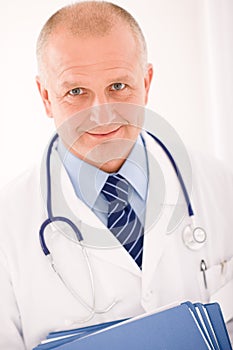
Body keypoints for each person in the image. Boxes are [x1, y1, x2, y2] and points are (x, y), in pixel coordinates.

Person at [0, 1, 233, 349]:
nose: (102, 114)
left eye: (118, 86)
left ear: (146, 81)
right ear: (46, 97)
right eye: (76, 92)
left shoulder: (219, 184)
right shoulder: (8, 222)